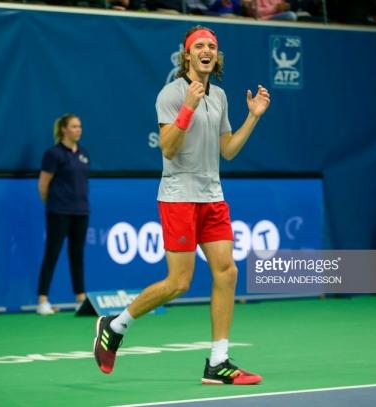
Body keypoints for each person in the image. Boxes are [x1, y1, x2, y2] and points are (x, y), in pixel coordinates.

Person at [93, 26, 270, 384]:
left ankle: (218, 362)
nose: (206, 50)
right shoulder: (171, 94)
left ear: (216, 58)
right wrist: (187, 108)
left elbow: (228, 150)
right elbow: (169, 148)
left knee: (227, 272)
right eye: (199, 46)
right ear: (187, 55)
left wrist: (253, 116)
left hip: (212, 196)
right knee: (179, 282)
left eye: (212, 46)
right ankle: (114, 325)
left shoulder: (219, 96)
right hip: (178, 197)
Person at [36, 114, 90, 315]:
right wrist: (53, 205)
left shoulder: (84, 153)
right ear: (64, 130)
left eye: (80, 126)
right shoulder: (53, 154)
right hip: (58, 213)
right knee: (52, 254)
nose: (78, 130)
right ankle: (42, 300)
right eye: (74, 126)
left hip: (81, 212)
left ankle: (80, 298)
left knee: (77, 256)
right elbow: (43, 185)